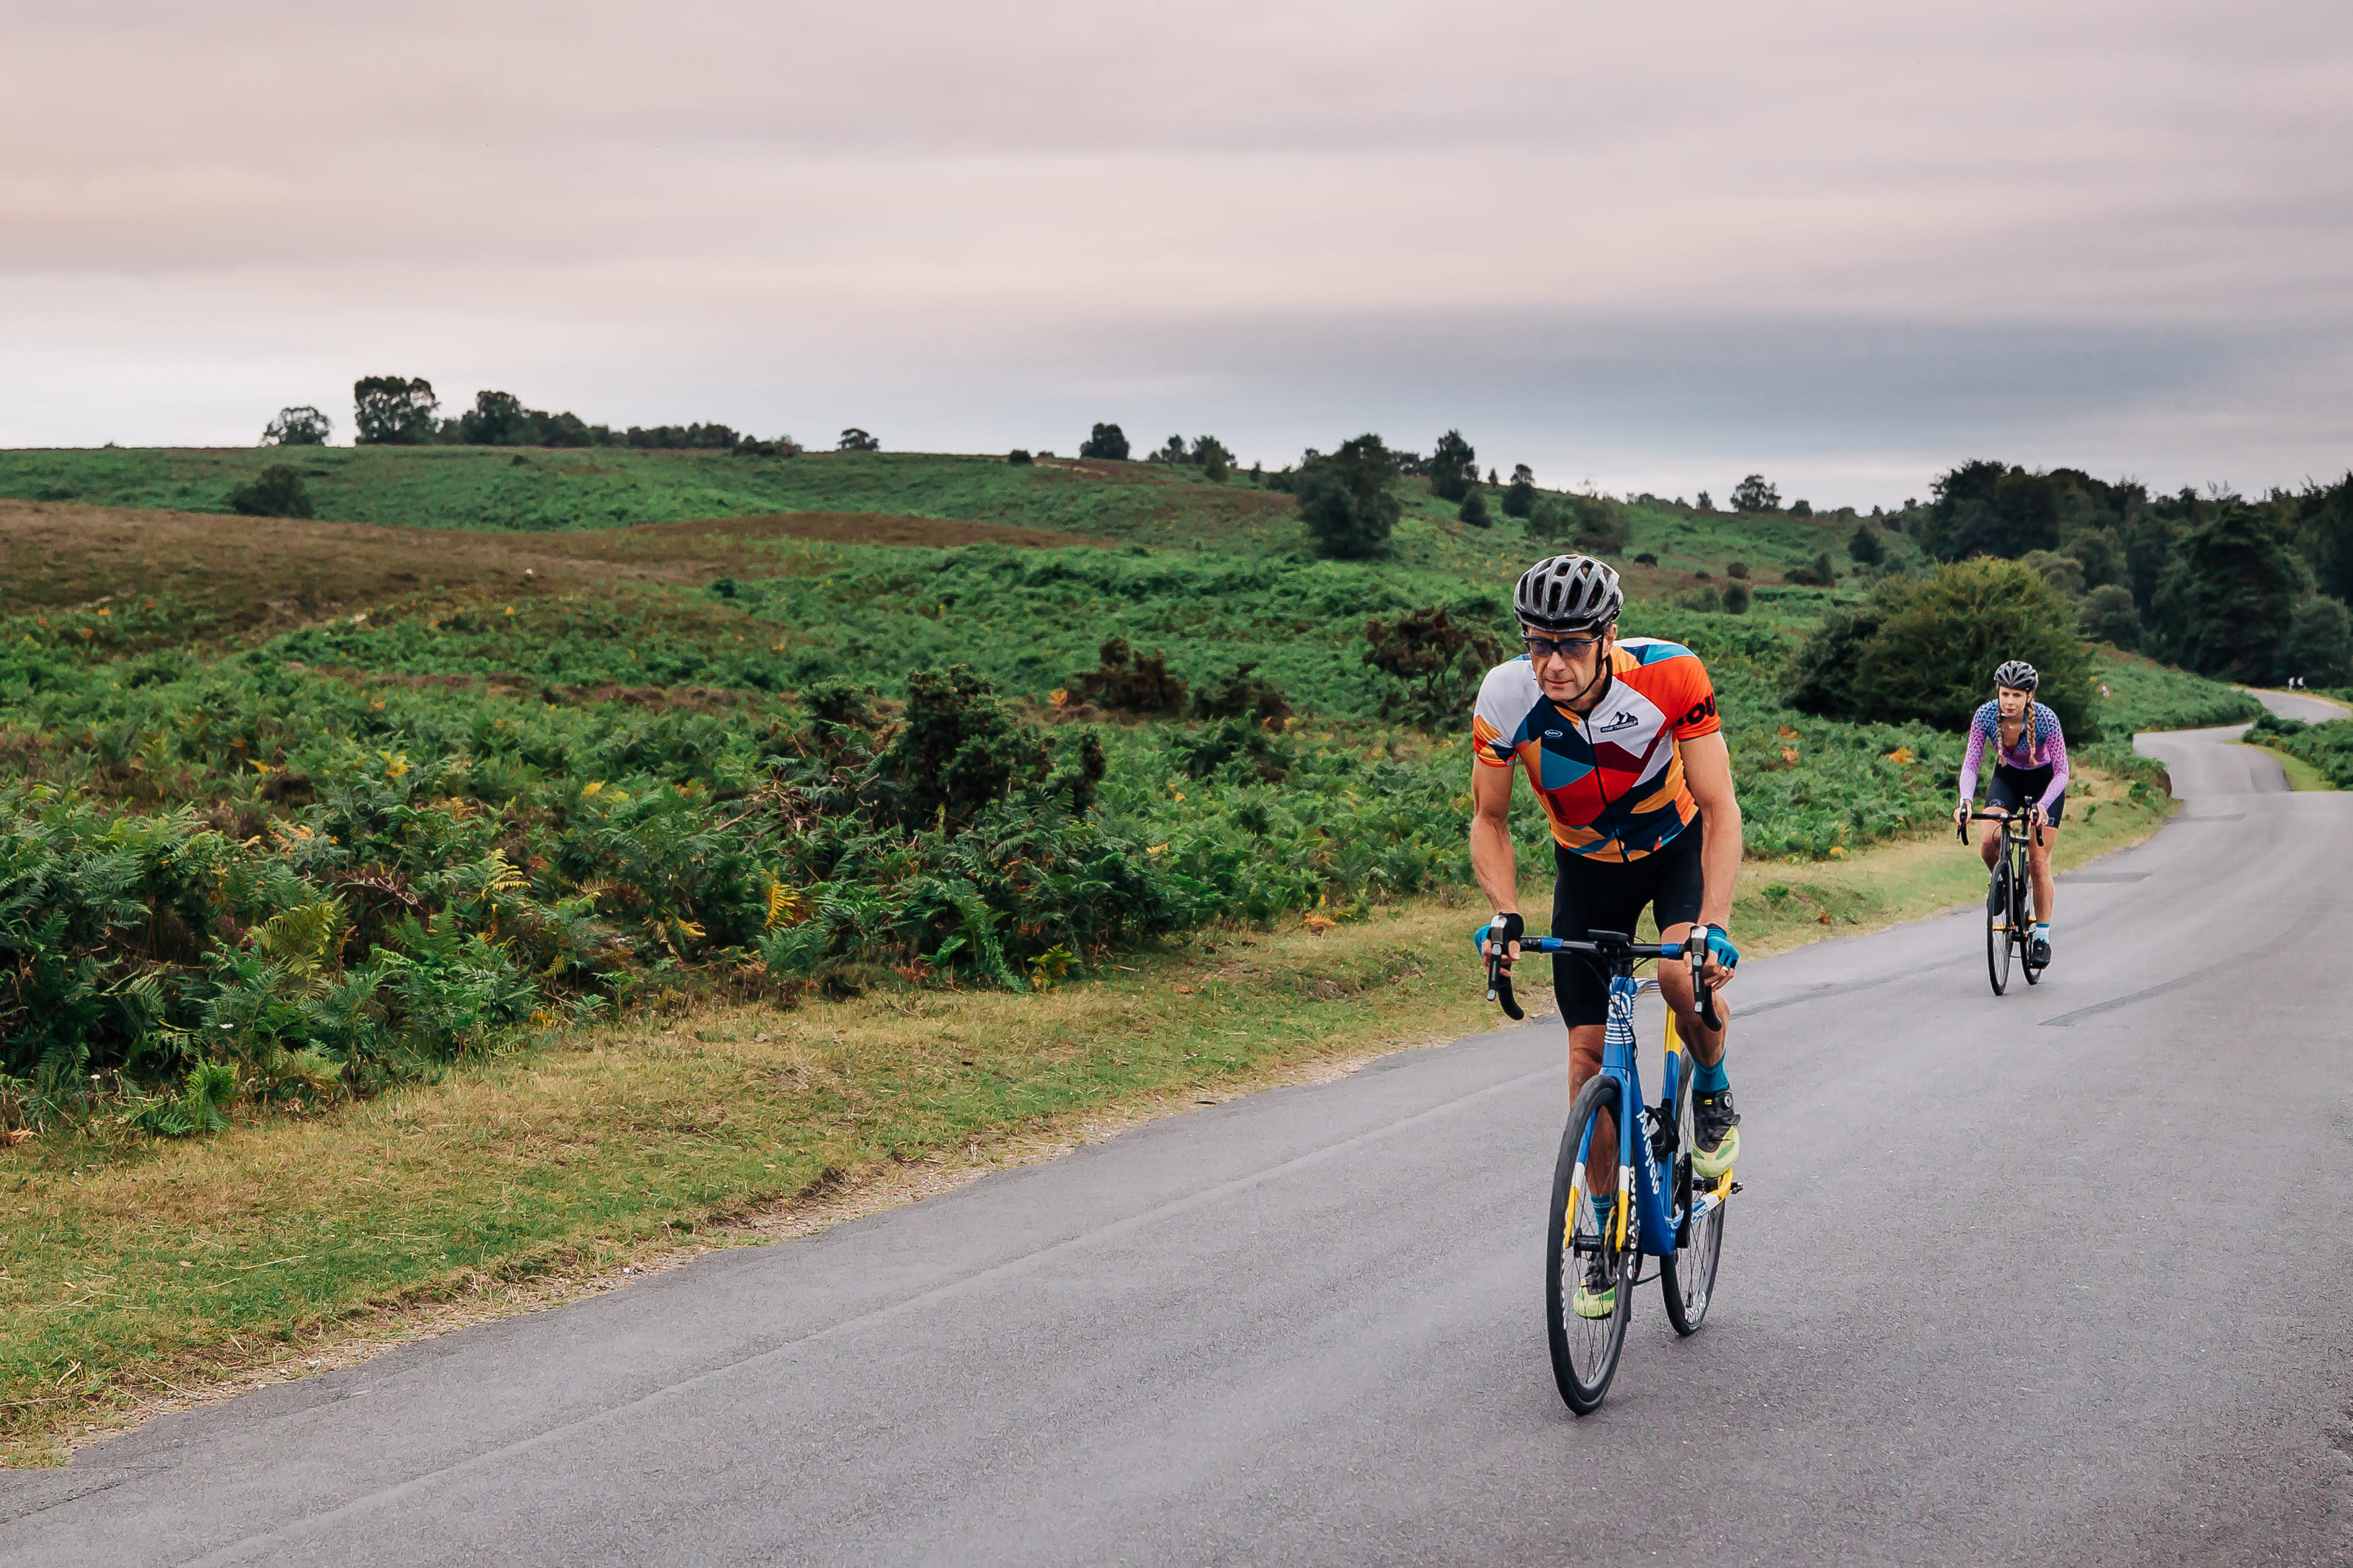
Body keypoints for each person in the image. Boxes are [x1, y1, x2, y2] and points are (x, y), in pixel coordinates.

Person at [1468, 554, 1744, 1321]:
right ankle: (1593, 1232)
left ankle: (1713, 1095)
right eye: (1536, 643)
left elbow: (1720, 808)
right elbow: (1489, 820)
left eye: (1571, 644)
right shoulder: (1505, 696)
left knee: (1682, 977)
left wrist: (1713, 923)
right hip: (1584, 869)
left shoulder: (1670, 676)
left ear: (1607, 635)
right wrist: (1504, 911)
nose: (1551, 662)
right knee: (1586, 1056)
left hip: (1673, 853)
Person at [1952, 660, 2068, 966]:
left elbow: (2063, 772)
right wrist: (1966, 801)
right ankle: (2002, 881)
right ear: (1998, 693)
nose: (2010, 701)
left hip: (2046, 784)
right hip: (2007, 778)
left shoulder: (2046, 720)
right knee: (1988, 840)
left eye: (2017, 695)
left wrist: (2043, 806)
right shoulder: (1986, 715)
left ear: (2029, 696)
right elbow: (1971, 763)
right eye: (2005, 694)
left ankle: (2041, 937)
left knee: (2038, 861)